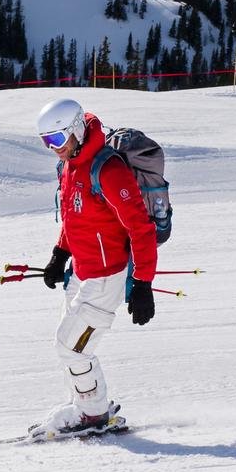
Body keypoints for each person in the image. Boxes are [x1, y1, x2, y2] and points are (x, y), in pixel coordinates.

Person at [32, 97, 158, 436]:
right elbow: (75, 218)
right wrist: (59, 255)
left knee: (72, 348)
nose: (53, 149)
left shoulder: (109, 170)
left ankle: (93, 413)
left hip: (106, 277)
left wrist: (143, 282)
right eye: (46, 142)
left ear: (75, 130)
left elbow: (140, 227)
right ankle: (85, 404)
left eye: (57, 139)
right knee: (70, 347)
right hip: (80, 273)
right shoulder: (71, 165)